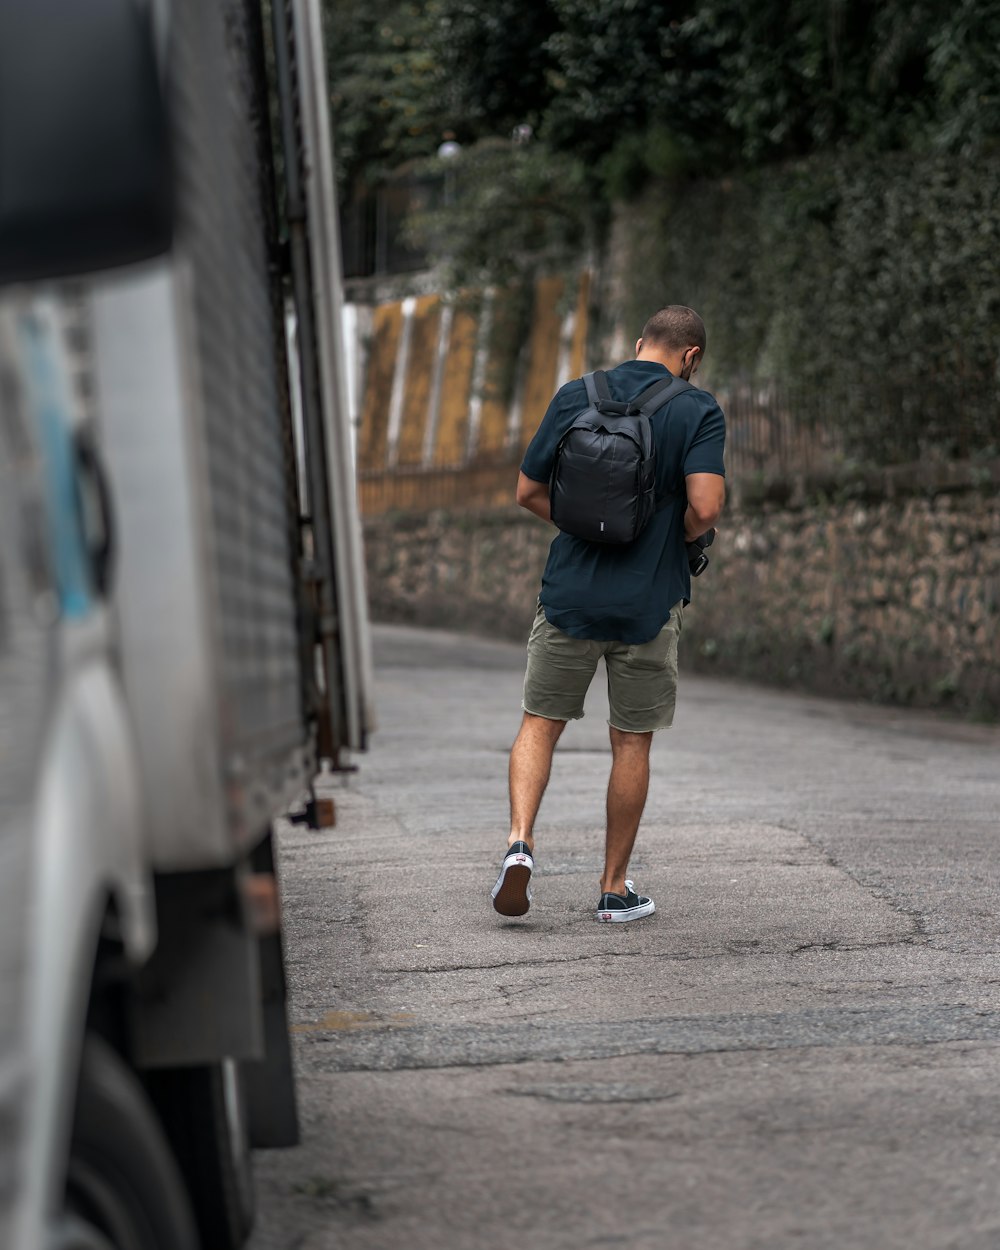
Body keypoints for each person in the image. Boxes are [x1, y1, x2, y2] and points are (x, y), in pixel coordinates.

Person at [490, 305, 726, 923]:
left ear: (640, 343)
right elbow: (705, 507)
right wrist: (658, 538)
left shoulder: (578, 393)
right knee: (630, 743)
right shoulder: (697, 409)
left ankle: (519, 844)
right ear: (691, 356)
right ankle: (614, 888)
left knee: (540, 723)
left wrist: (591, 525)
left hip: (570, 593)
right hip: (647, 604)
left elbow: (526, 491)